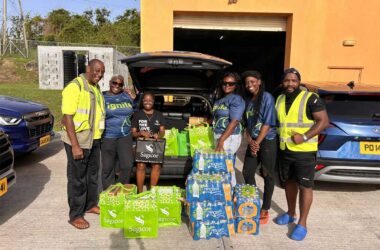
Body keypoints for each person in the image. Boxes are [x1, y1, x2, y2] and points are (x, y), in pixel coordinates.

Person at [275, 68, 329, 241]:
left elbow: (324, 121)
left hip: (304, 153)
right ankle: (291, 214)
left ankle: (302, 223)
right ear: (282, 82)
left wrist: (305, 136)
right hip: (285, 151)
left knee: (305, 186)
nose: (290, 84)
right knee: (289, 183)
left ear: (299, 82)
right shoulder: (280, 98)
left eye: (293, 80)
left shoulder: (310, 98)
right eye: (286, 80)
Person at [61, 59, 105, 230]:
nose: (99, 75)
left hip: (93, 140)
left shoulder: (95, 87)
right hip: (78, 140)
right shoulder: (75, 86)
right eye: (96, 71)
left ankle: (90, 204)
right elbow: (68, 117)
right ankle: (76, 215)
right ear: (88, 69)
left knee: (92, 175)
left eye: (102, 72)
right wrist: (75, 145)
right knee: (77, 179)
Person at [241, 70, 277, 225]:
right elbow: (247, 124)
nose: (250, 85)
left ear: (259, 81)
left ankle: (265, 208)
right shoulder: (249, 100)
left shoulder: (267, 97)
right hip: (254, 140)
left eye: (252, 81)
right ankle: (254, 201)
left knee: (267, 174)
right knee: (247, 171)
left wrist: (257, 143)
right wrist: (250, 141)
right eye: (247, 83)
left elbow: (268, 123)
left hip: (267, 140)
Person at [101, 75, 137, 190]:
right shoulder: (102, 96)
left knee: (127, 165)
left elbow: (136, 109)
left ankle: (121, 189)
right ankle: (109, 193)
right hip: (108, 136)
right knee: (108, 168)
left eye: (120, 84)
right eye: (114, 83)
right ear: (110, 83)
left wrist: (134, 98)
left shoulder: (126, 96)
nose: (117, 86)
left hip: (125, 136)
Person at [212, 72, 245, 186]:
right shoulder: (220, 99)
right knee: (221, 165)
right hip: (219, 134)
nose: (227, 85)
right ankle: (222, 193)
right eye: (225, 83)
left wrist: (221, 140)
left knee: (225, 165)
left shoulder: (236, 99)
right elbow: (216, 117)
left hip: (229, 136)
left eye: (231, 83)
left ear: (236, 85)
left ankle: (229, 194)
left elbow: (235, 121)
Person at [131, 92, 166, 193]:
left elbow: (162, 131)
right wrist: (140, 133)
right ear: (142, 101)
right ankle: (140, 192)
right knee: (140, 165)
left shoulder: (159, 115)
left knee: (157, 165)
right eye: (145, 100)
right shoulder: (137, 114)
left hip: (155, 144)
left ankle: (152, 192)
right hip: (141, 144)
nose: (148, 102)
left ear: (153, 102)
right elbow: (133, 133)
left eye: (150, 100)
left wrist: (158, 136)